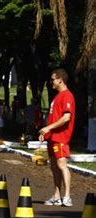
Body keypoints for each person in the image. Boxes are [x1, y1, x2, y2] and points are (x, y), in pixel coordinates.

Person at [39, 68, 75, 207]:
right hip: (52, 137)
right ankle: (56, 196)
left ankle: (67, 197)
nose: (51, 82)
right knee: (54, 167)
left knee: (61, 165)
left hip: (61, 138)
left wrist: (49, 128)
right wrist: (46, 133)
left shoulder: (67, 96)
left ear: (60, 79)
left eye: (53, 79)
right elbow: (54, 117)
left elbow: (67, 117)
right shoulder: (57, 97)